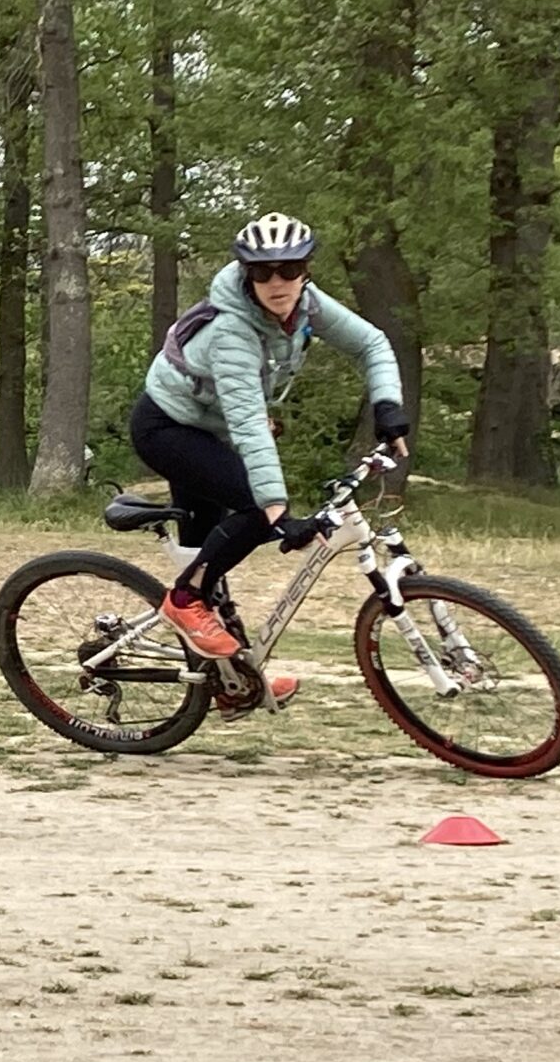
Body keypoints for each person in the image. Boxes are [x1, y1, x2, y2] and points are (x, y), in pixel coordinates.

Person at [130, 212, 409, 708]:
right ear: (246, 274)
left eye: (290, 268)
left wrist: (388, 408)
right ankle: (183, 601)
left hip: (210, 432)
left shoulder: (306, 305)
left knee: (211, 551)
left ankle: (229, 681)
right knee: (256, 513)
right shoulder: (232, 332)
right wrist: (278, 511)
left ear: (305, 270)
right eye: (263, 272)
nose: (277, 281)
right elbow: (249, 424)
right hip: (167, 429)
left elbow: (372, 343)